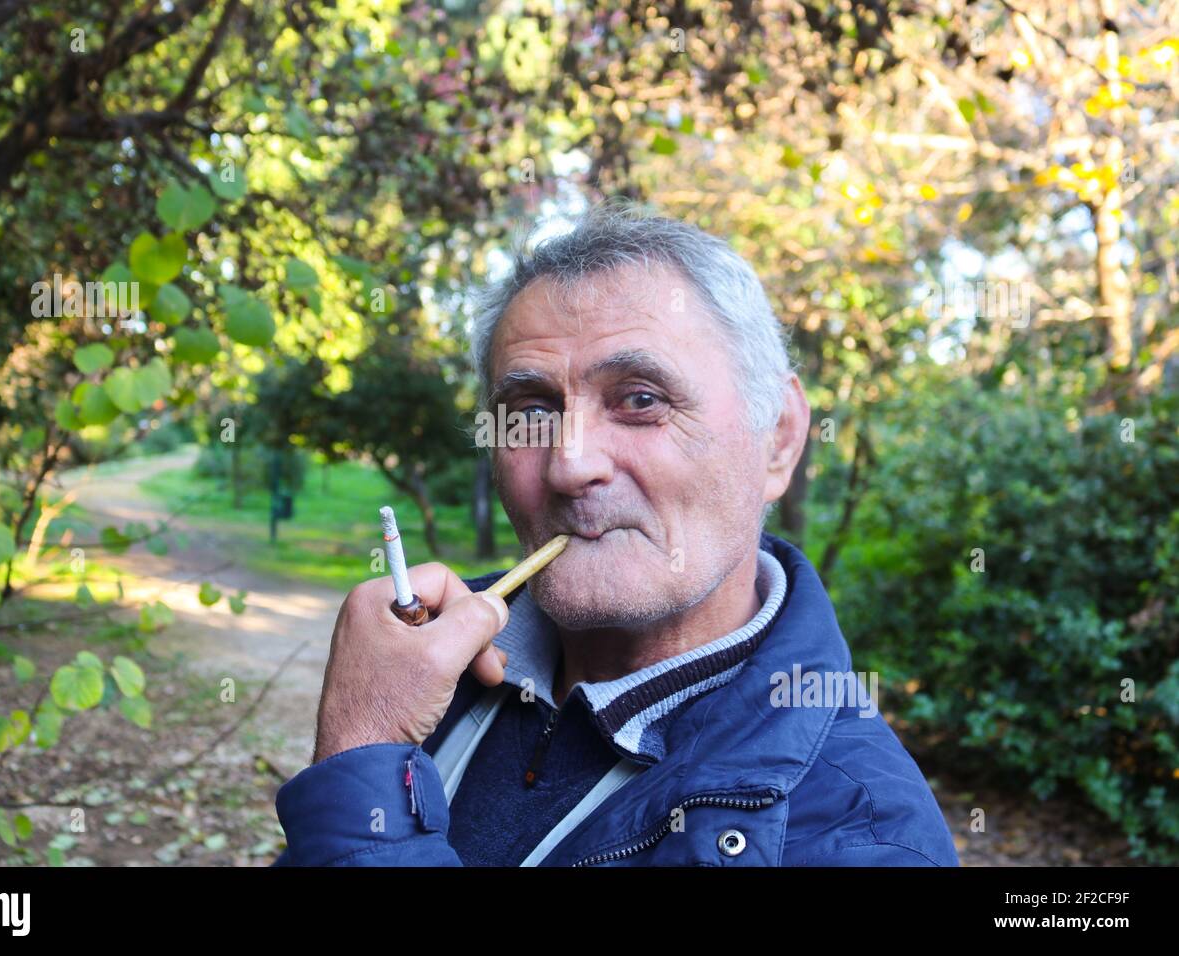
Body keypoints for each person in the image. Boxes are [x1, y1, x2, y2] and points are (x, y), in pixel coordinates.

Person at [272, 203, 959, 867]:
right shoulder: (432, 661)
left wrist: (359, 754)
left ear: (778, 437)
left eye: (640, 400)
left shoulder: (863, 836)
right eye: (532, 409)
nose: (570, 465)